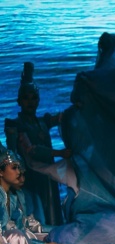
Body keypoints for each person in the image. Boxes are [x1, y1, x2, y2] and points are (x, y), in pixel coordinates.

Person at [3, 61, 71, 226]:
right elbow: (30, 150)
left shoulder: (42, 122)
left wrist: (79, 107)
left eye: (33, 98)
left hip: (47, 176)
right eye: (26, 98)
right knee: (36, 212)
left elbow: (63, 117)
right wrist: (59, 153)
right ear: (19, 101)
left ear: (38, 100)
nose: (30, 102)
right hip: (29, 177)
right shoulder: (16, 125)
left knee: (52, 209)